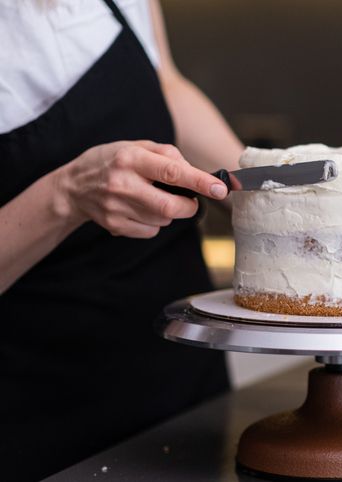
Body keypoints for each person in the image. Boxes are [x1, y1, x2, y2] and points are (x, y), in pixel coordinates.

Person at [0, 1, 244, 479]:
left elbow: (165, 83)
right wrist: (65, 195)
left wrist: (273, 195)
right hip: (35, 423)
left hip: (184, 389)